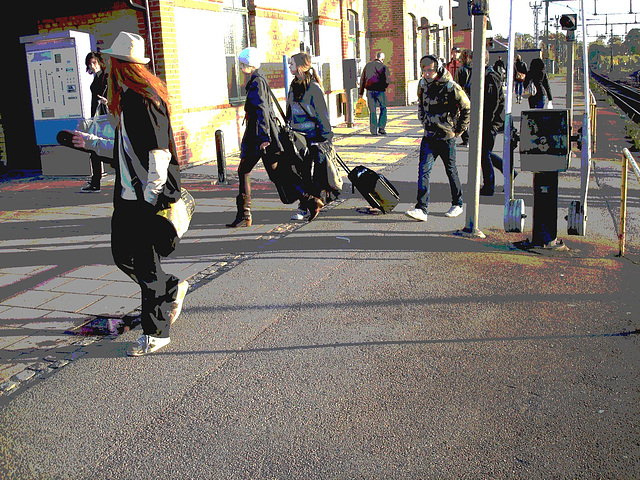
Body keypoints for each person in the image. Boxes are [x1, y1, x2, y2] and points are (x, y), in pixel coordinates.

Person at [72, 32, 188, 357]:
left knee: (146, 265)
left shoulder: (144, 99)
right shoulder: (128, 98)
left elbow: (158, 155)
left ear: (120, 65)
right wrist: (91, 143)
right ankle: (170, 288)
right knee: (122, 255)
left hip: (144, 200)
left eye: (111, 61)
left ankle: (157, 332)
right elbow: (126, 150)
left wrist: (150, 201)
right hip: (127, 197)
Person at [405, 55, 470, 223]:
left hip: (446, 137)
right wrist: (423, 119)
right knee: (423, 171)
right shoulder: (422, 84)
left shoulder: (450, 87)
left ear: (438, 69)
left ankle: (457, 203)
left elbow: (466, 107)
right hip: (429, 136)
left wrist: (458, 131)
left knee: (451, 170)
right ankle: (421, 208)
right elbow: (420, 103)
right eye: (424, 70)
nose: (427, 74)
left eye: (430, 70)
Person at [286, 52, 334, 219]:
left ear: (300, 66)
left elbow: (322, 114)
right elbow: (290, 110)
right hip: (297, 138)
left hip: (314, 137)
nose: (289, 66)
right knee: (301, 172)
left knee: (316, 174)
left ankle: (310, 205)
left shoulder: (314, 88)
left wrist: (326, 137)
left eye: (291, 63)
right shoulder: (293, 85)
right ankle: (305, 205)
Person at [80, 52, 109, 193]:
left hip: (105, 118)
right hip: (98, 118)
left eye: (94, 63)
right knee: (94, 149)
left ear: (100, 62)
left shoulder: (106, 77)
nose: (92, 66)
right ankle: (95, 181)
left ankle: (96, 181)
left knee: (98, 148)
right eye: (90, 64)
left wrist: (107, 103)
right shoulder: (98, 78)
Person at [480, 51, 507, 196]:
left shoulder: (490, 77)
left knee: (484, 153)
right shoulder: (486, 75)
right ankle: (509, 171)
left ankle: (489, 186)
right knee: (485, 152)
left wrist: (487, 123)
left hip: (490, 121)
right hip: (490, 121)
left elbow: (492, 103)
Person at [358, 52, 390, 136]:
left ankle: (373, 130)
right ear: (382, 59)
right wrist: (383, 87)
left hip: (370, 91)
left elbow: (362, 79)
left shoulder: (368, 66)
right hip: (380, 91)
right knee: (383, 108)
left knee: (372, 110)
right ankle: (381, 128)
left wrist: (360, 92)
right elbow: (387, 80)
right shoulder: (383, 67)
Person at [456, 49, 473, 147]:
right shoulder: (476, 69)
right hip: (475, 96)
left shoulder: (461, 69)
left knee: (463, 117)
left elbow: (457, 85)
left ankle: (466, 139)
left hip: (464, 96)